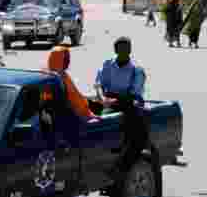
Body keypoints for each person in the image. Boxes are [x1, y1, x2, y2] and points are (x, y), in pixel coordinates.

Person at [94, 37, 148, 176]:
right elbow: (99, 84)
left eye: (127, 49)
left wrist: (113, 102)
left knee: (137, 137)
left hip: (128, 101)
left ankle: (123, 166)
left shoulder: (136, 70)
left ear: (130, 50)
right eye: (121, 49)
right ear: (115, 50)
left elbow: (134, 93)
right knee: (98, 119)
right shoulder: (108, 64)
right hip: (109, 99)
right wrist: (102, 98)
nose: (124, 52)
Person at [47, 45, 96, 120]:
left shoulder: (55, 74)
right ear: (59, 60)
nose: (69, 61)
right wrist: (89, 114)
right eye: (66, 59)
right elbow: (70, 103)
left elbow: (75, 95)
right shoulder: (58, 79)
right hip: (79, 116)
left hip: (82, 110)